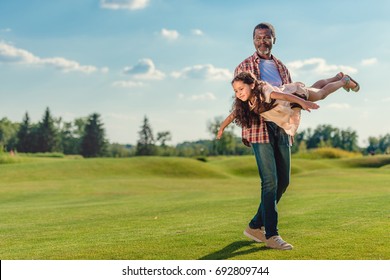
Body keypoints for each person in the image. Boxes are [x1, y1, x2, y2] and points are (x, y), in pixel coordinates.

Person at [217, 71, 359, 138]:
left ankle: (343, 81)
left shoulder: (264, 92)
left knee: (321, 94)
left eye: (241, 89)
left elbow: (284, 96)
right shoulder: (247, 103)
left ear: (252, 85)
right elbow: (232, 116)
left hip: (295, 96)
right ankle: (337, 77)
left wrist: (303, 102)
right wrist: (221, 128)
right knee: (314, 88)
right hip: (291, 100)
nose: (239, 93)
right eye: (236, 91)